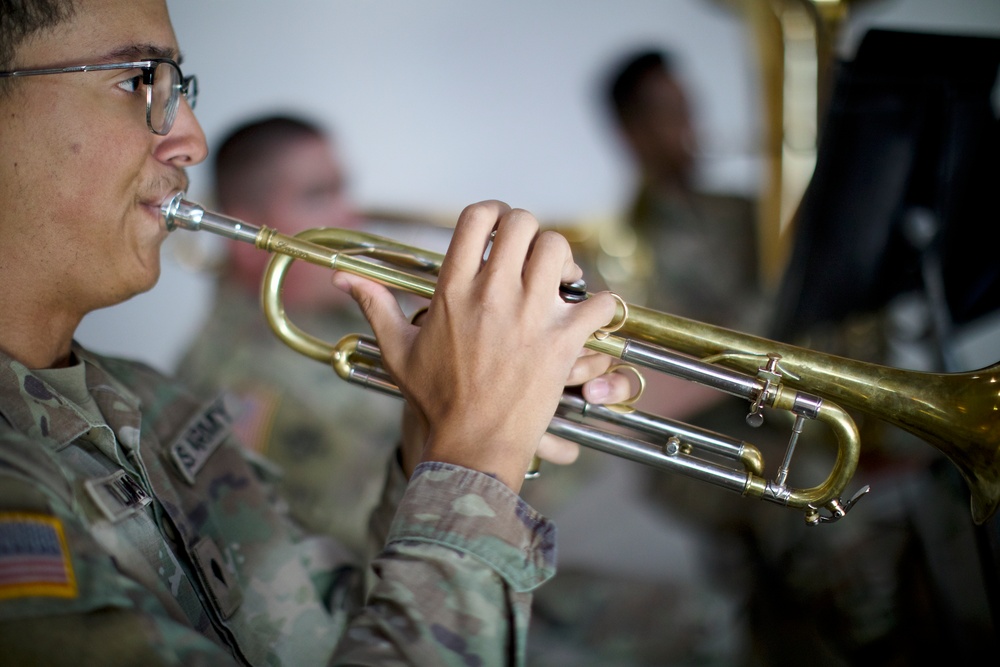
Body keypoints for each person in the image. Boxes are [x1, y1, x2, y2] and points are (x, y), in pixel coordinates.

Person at [0, 1, 634, 664]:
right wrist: (476, 456)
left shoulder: (155, 405)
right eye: (137, 80)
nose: (191, 137)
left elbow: (339, 628)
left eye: (176, 88)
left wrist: (441, 429)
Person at [174, 115, 401, 558]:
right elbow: (392, 533)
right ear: (247, 235)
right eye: (317, 195)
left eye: (342, 189)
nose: (350, 217)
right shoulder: (243, 388)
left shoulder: (329, 307)